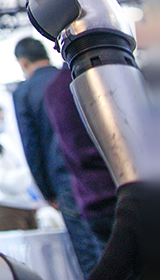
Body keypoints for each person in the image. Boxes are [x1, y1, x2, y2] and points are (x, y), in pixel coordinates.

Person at [13, 37, 104, 272]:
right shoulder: (68, 76)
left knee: (88, 254)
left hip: (64, 179)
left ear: (23, 62)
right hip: (96, 171)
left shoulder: (24, 92)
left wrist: (47, 191)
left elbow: (31, 145)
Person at [45, 66, 116, 248]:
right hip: (122, 195)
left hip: (90, 198)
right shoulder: (105, 72)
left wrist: (48, 192)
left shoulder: (55, 88)